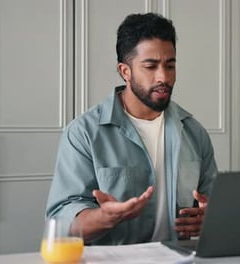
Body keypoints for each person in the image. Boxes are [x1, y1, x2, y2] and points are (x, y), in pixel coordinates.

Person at [45, 12, 218, 245]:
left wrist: (208, 218)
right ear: (125, 71)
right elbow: (62, 223)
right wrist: (105, 217)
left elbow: (215, 206)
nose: (163, 77)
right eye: (150, 66)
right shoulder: (83, 133)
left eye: (170, 65)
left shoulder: (194, 132)